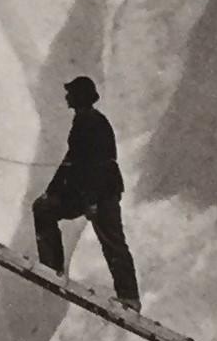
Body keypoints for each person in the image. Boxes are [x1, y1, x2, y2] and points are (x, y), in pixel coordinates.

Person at [33, 76, 140, 311]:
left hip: (100, 194)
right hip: (90, 193)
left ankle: (130, 297)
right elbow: (71, 162)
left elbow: (96, 165)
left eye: (70, 93)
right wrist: (51, 192)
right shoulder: (87, 120)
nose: (66, 97)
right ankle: (52, 269)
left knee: (112, 242)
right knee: (43, 209)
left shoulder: (90, 123)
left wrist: (90, 200)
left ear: (79, 97)